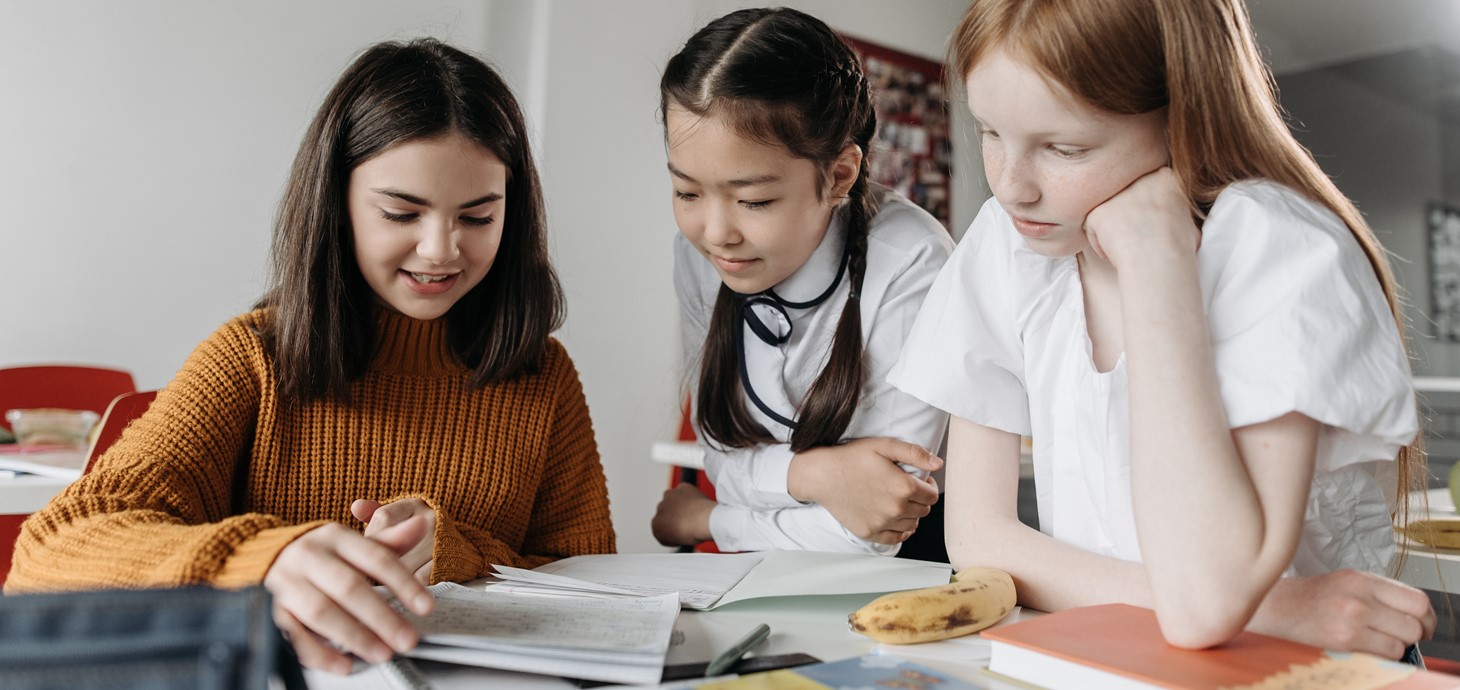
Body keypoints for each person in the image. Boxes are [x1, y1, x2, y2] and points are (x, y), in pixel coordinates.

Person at [5, 38, 615, 674]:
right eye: (402, 212)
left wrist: (456, 554)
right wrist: (265, 559)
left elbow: (593, 582)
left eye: (478, 217)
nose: (440, 250)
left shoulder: (542, 373)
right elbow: (48, 554)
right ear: (338, 205)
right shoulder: (253, 360)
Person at [889, 0, 1437, 659]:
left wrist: (1156, 258)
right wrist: (1274, 610)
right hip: (1124, 651)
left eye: (1065, 148)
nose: (1010, 188)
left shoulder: (1279, 247)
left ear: (1185, 114)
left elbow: (1203, 603)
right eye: (990, 131)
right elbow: (980, 539)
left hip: (1301, 668)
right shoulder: (1004, 247)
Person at [649, 7, 954, 559]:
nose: (716, 234)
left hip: (895, 579)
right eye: (687, 193)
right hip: (752, 579)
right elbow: (719, 451)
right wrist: (815, 477)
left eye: (754, 201)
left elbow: (876, 527)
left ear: (839, 175)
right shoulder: (696, 258)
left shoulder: (912, 261)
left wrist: (709, 519)